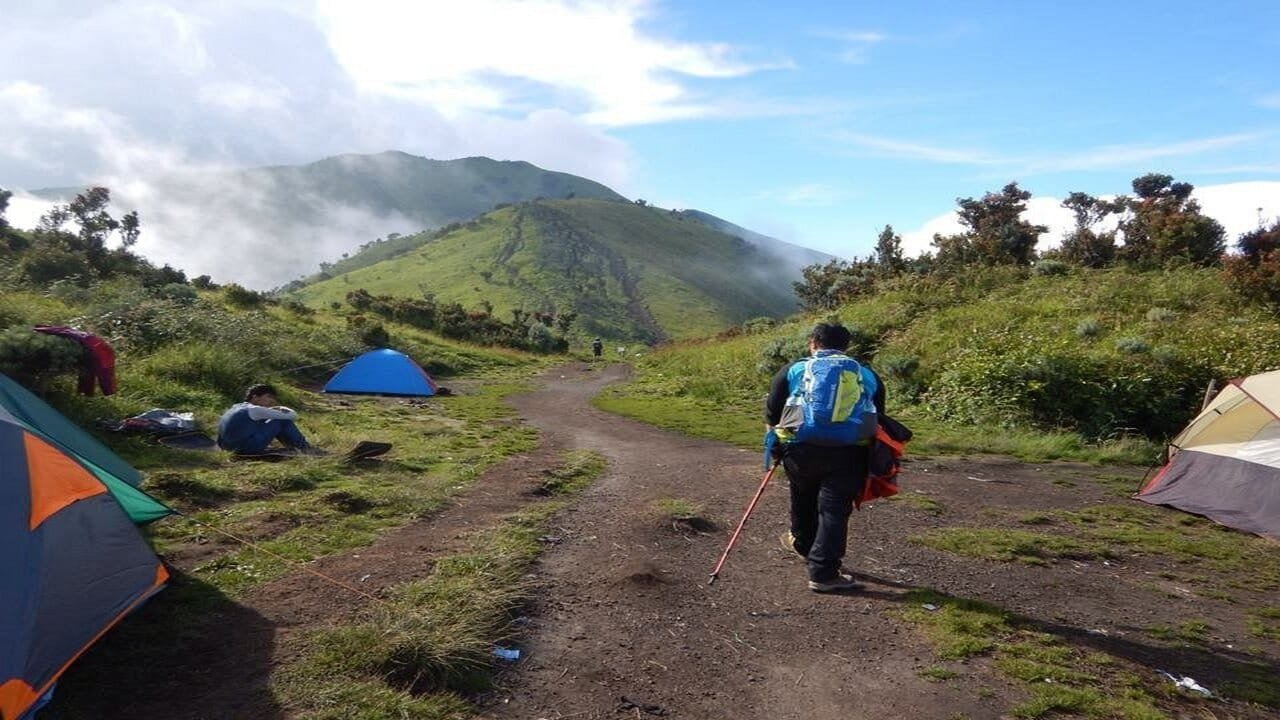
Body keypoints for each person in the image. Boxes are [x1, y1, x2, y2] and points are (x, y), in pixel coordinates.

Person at [764, 323, 885, 593]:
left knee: (802, 496)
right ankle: (823, 572)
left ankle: (804, 545)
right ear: (846, 346)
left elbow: (774, 411)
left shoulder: (795, 369)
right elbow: (877, 416)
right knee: (833, 511)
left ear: (813, 342)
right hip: (849, 452)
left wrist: (777, 447)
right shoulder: (864, 373)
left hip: (800, 447)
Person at [217, 383, 316, 455]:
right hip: (245, 449)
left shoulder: (236, 406)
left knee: (268, 420)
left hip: (226, 447)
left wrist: (270, 411)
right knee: (282, 421)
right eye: (268, 397)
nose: (271, 401)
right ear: (255, 397)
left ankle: (295, 447)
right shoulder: (255, 410)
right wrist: (282, 408)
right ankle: (305, 448)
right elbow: (293, 416)